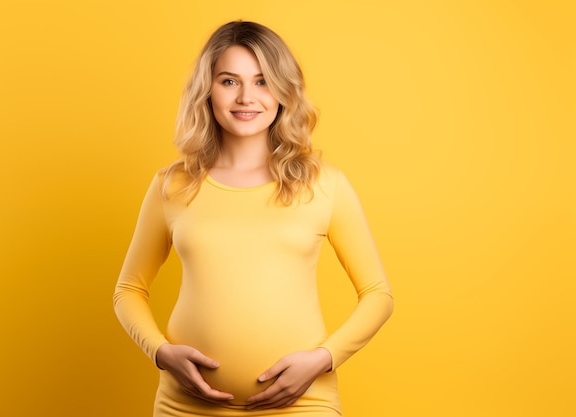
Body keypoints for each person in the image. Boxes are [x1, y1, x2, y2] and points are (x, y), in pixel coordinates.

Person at [113, 20, 393, 417]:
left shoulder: (324, 184)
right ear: (206, 90)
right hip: (186, 405)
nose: (247, 97)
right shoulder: (171, 186)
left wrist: (322, 360)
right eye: (229, 81)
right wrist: (161, 353)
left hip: (304, 403)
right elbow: (128, 289)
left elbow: (378, 294)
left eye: (262, 81)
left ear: (283, 90)